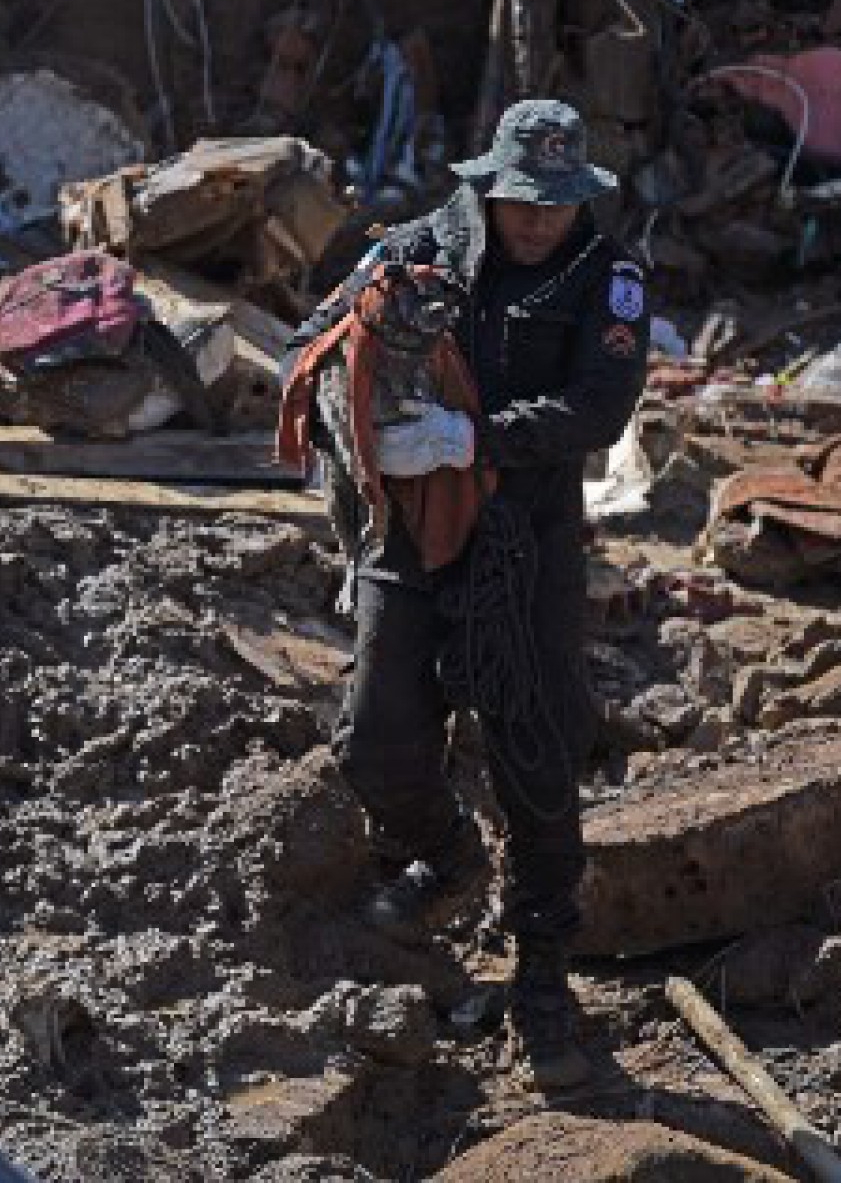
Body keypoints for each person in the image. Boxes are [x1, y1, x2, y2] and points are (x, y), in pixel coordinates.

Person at [282, 99, 649, 1088]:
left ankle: (541, 974)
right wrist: (354, 413)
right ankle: (447, 856)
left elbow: (601, 407)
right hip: (409, 528)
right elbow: (312, 346)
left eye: (554, 206)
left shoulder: (601, 278)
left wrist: (475, 439)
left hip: (527, 538)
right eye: (520, 202)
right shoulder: (414, 250)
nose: (535, 222)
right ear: (488, 183)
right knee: (375, 734)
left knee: (539, 753)